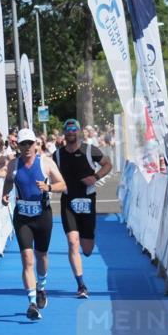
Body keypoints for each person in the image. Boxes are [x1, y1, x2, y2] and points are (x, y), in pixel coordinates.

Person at [2, 128, 67, 319]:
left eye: (30, 143)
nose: (27, 147)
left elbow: (63, 184)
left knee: (42, 256)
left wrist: (48, 187)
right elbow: (9, 180)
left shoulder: (46, 162)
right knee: (27, 258)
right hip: (22, 217)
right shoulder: (13, 164)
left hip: (42, 216)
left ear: (35, 144)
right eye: (23, 144)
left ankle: (41, 287)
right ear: (18, 145)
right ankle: (31, 304)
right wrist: (5, 194)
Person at [54, 119, 112, 298]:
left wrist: (95, 177)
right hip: (68, 202)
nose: (71, 132)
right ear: (64, 133)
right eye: (68, 129)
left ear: (78, 132)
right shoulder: (57, 155)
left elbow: (108, 164)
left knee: (87, 249)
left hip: (87, 201)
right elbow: (48, 173)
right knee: (73, 242)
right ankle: (81, 285)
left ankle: (88, 239)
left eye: (74, 129)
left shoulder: (89, 150)